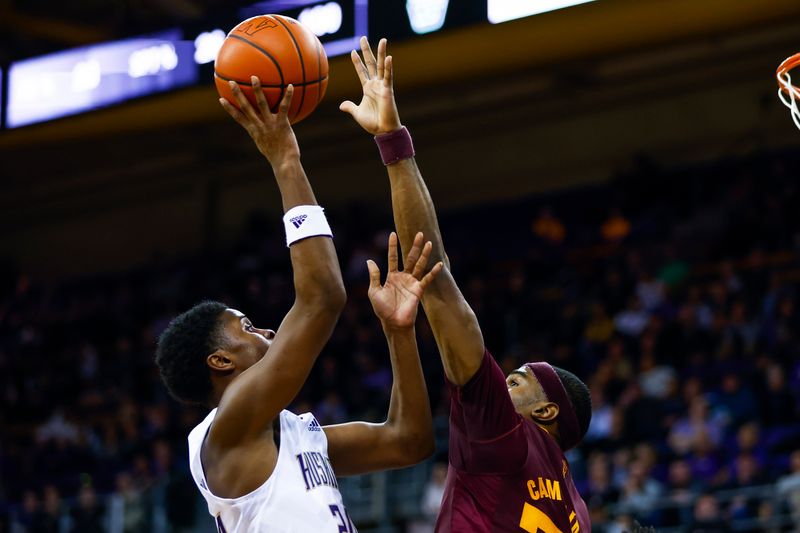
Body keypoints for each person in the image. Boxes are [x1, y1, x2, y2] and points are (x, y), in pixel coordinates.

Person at [155, 79, 442, 532]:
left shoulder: (292, 433)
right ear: (220, 360)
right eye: (246, 326)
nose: (266, 331)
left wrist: (399, 334)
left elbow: (408, 442)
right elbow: (322, 298)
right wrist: (285, 160)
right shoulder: (228, 426)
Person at [341, 38, 592, 532]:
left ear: (543, 411)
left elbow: (433, 275)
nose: (502, 379)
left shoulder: (506, 433)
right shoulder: (576, 510)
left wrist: (392, 139)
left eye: (515, 380)